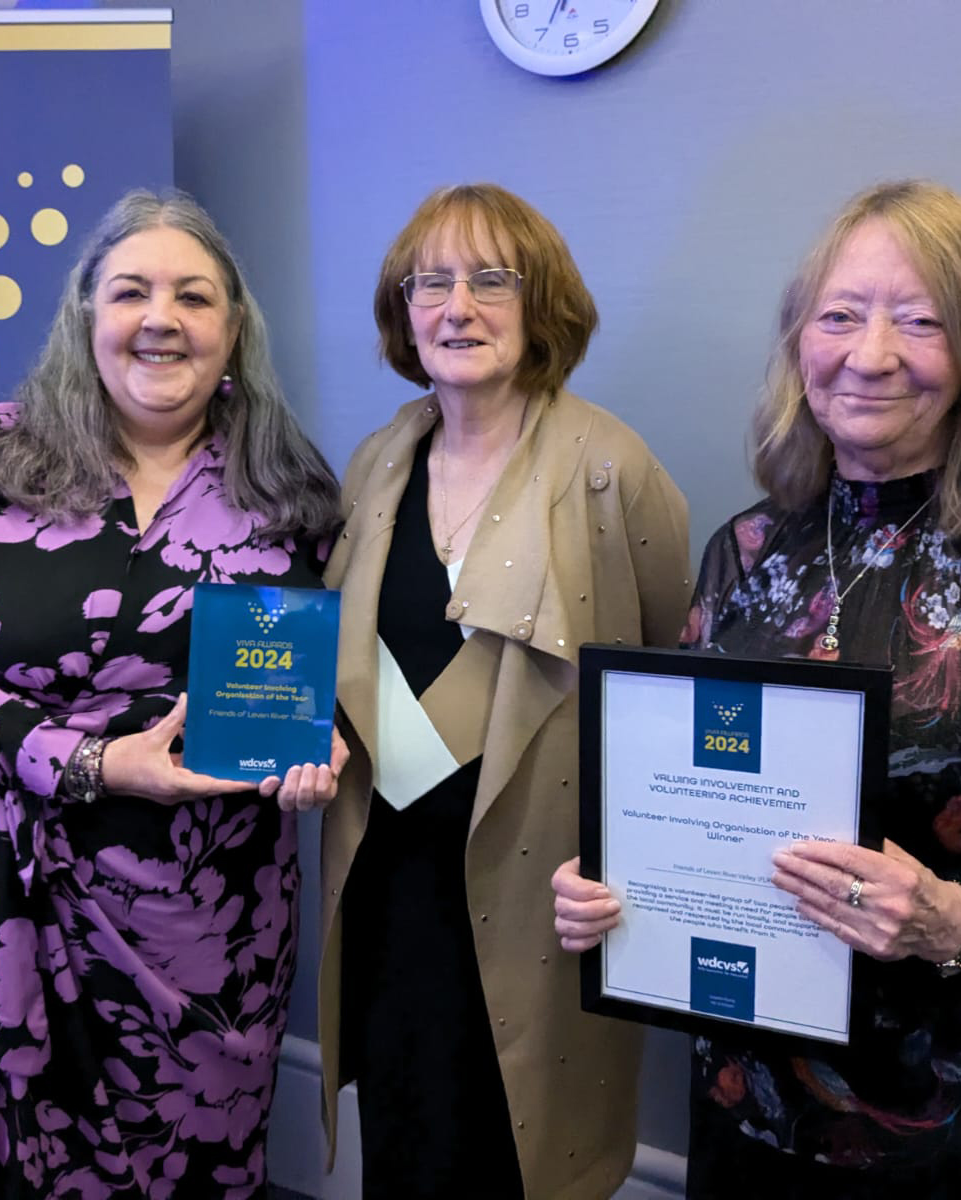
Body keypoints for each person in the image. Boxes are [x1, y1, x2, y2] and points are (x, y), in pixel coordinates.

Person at [553, 179, 961, 1199]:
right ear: (798, 342)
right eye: (839, 315)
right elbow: (697, 798)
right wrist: (623, 883)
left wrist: (953, 918)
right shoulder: (744, 550)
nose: (870, 354)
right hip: (742, 1114)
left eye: (921, 321)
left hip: (942, 1142)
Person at [0, 189, 347, 1199]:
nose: (160, 318)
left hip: (213, 918)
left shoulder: (291, 487)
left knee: (195, 1167)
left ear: (235, 327)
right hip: (13, 901)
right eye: (130, 291)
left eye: (194, 296)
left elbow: (331, 672)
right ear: (86, 318)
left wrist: (328, 744)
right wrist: (79, 759)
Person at [318, 183, 691, 1199]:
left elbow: (669, 688)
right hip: (391, 887)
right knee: (403, 1144)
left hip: (536, 896)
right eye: (429, 281)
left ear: (543, 305)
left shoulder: (611, 469)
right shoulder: (377, 461)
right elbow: (338, 662)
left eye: (490, 280)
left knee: (518, 1160)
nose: (456, 307)